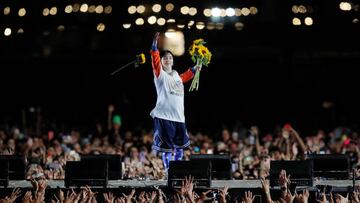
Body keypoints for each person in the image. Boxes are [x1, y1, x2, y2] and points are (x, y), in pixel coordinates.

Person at [150, 32, 201, 172]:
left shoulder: (176, 76)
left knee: (180, 148)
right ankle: (168, 172)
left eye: (170, 58)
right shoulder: (160, 75)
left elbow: (185, 76)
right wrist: (154, 46)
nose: (167, 59)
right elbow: (154, 61)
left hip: (179, 117)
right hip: (164, 116)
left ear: (173, 61)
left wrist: (196, 68)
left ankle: (176, 170)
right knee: (166, 148)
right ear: (161, 61)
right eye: (164, 58)